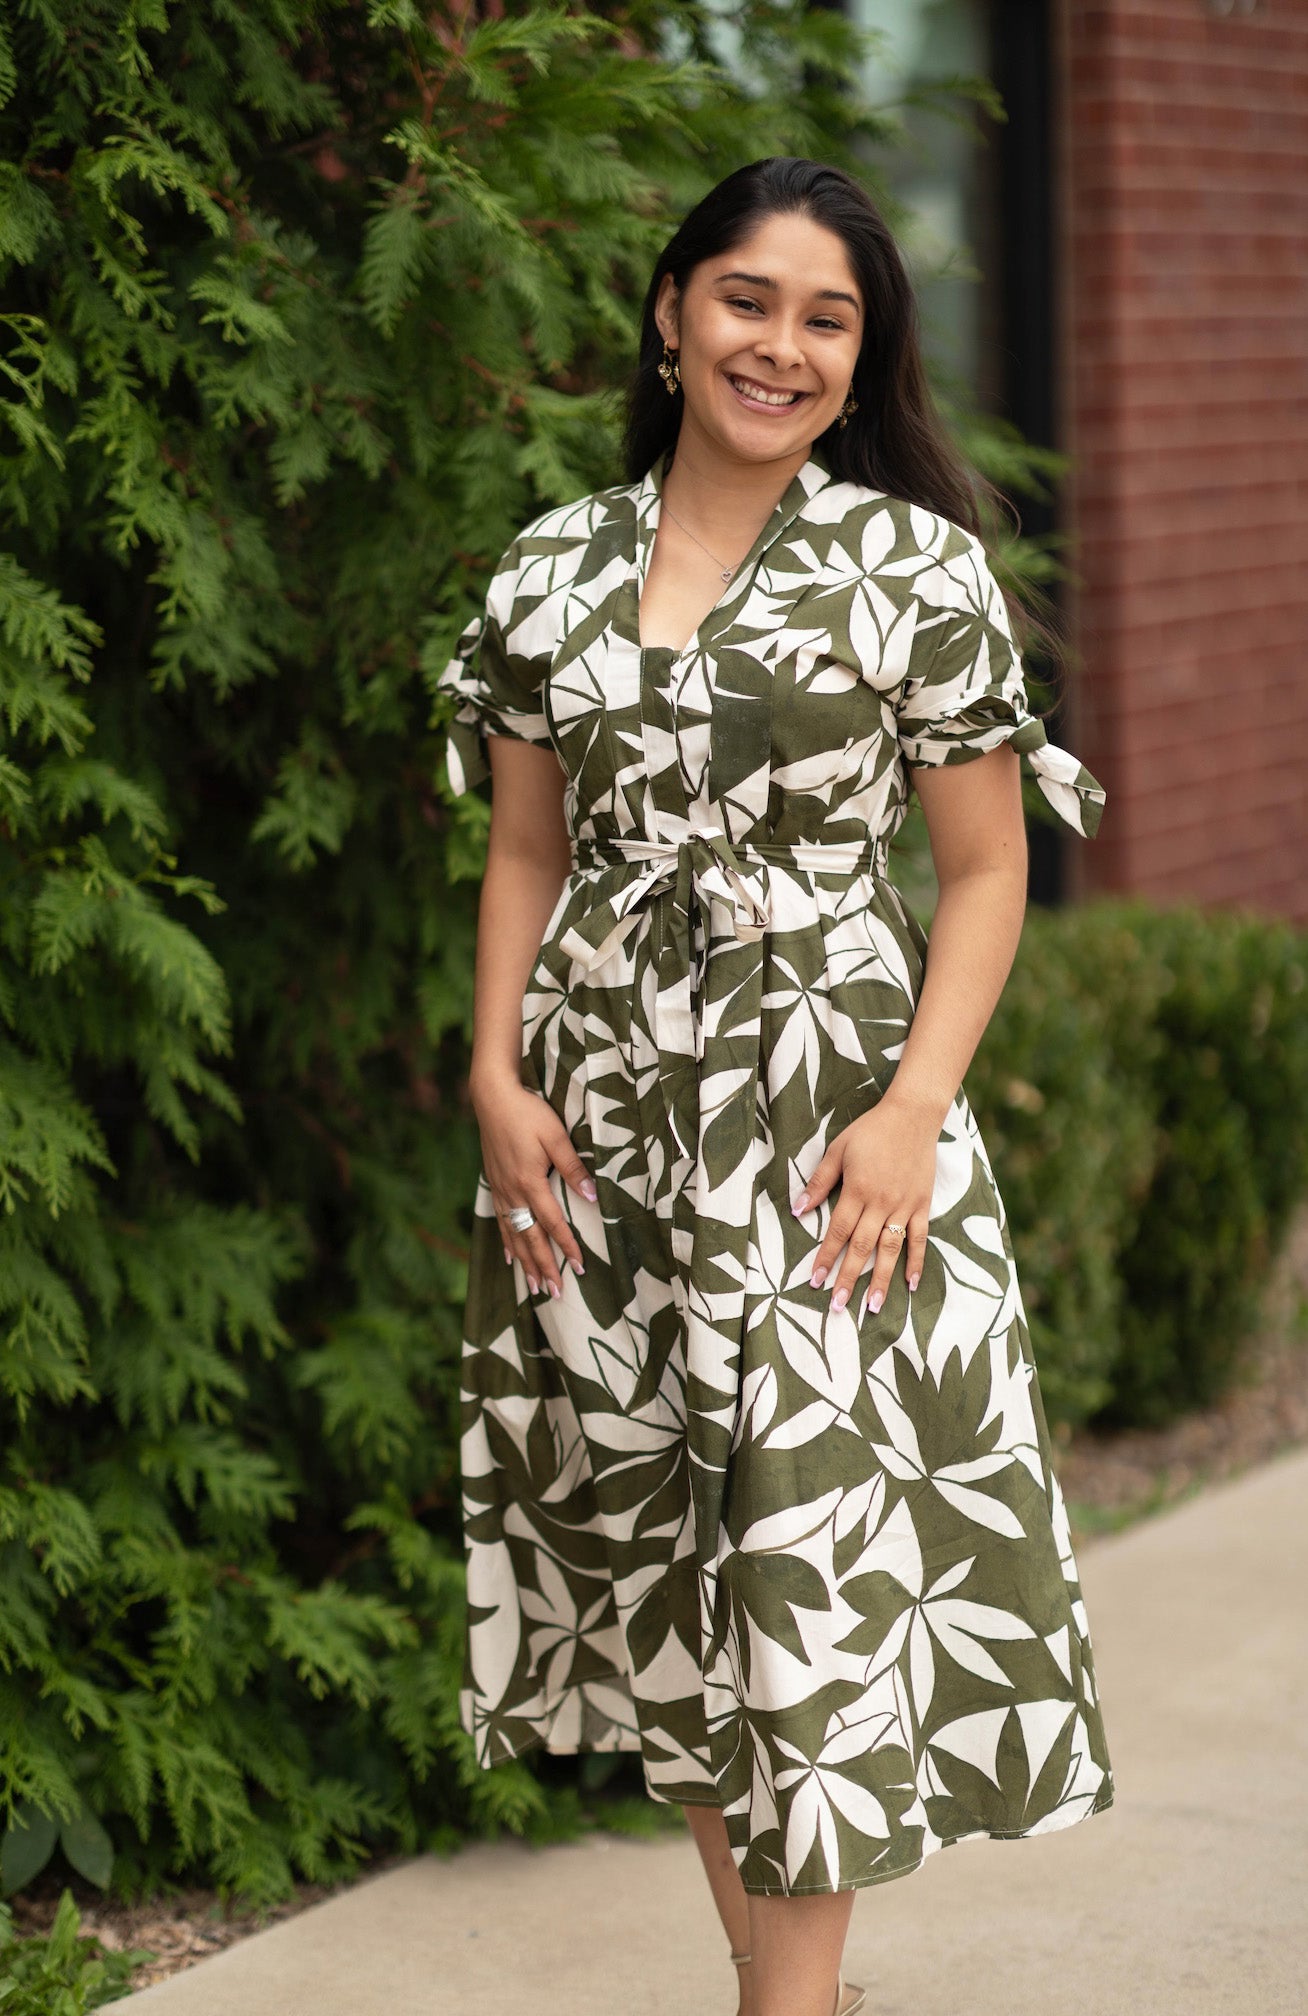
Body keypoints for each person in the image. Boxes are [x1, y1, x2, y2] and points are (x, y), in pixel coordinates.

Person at [437, 156, 1115, 2016]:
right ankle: (781, 1984)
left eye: (830, 318)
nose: (783, 345)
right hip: (597, 1119)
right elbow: (522, 851)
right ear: (670, 316)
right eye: (747, 299)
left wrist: (910, 1117)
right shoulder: (548, 570)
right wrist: (494, 1070)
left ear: (862, 356)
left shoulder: (911, 568)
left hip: (830, 1122)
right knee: (666, 1556)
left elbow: (985, 869)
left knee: (799, 1563)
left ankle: (784, 2005)